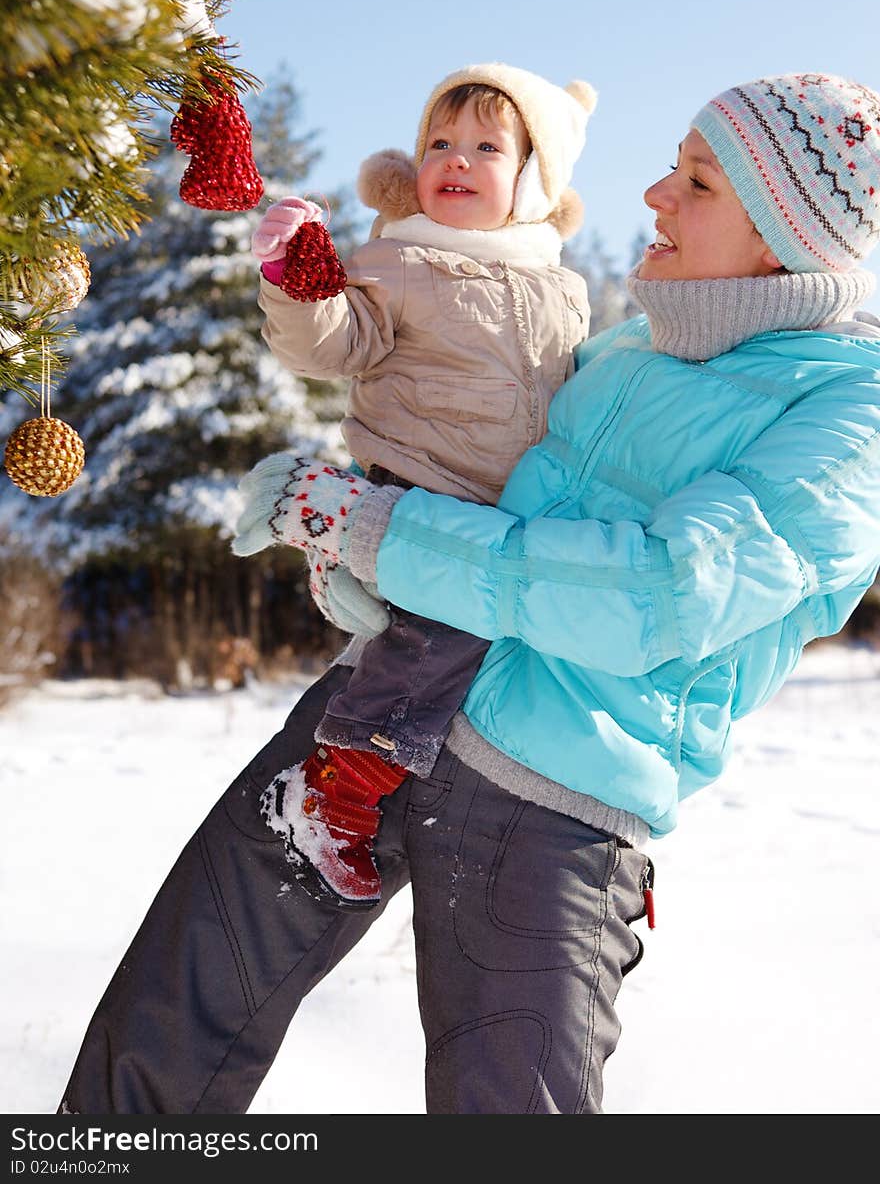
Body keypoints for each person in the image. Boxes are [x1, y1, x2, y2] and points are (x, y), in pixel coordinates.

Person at [59, 71, 880, 1116]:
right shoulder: (627, 342)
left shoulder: (850, 410)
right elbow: (465, 453)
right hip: (383, 705)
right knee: (164, 1021)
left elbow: (659, 591)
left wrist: (383, 532)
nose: (655, 196)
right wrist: (358, 519)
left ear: (779, 231)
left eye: (698, 180)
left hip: (548, 803)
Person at [235, 62, 595, 906]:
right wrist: (299, 278)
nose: (456, 160)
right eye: (440, 141)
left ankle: (354, 591)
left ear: (534, 180)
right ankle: (333, 794)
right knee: (440, 636)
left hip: (506, 513)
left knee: (495, 651)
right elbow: (330, 346)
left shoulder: (563, 285)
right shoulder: (400, 261)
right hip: (418, 489)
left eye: (484, 146)